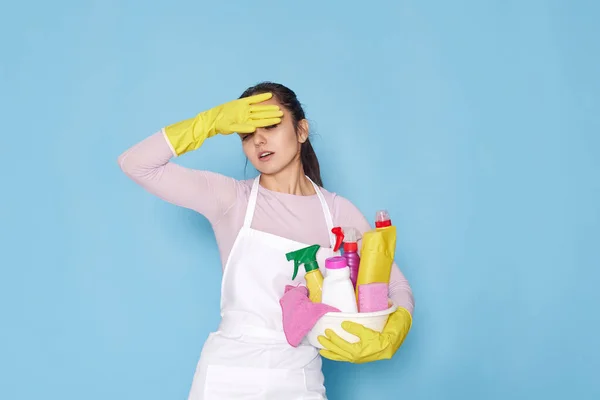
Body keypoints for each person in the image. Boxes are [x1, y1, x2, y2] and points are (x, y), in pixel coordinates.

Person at [118, 82, 414, 399]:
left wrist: (396, 327)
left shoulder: (337, 212)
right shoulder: (231, 199)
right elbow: (135, 164)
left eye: (271, 126)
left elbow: (394, 285)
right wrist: (210, 122)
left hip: (300, 379)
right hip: (226, 377)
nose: (258, 139)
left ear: (301, 131)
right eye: (247, 133)